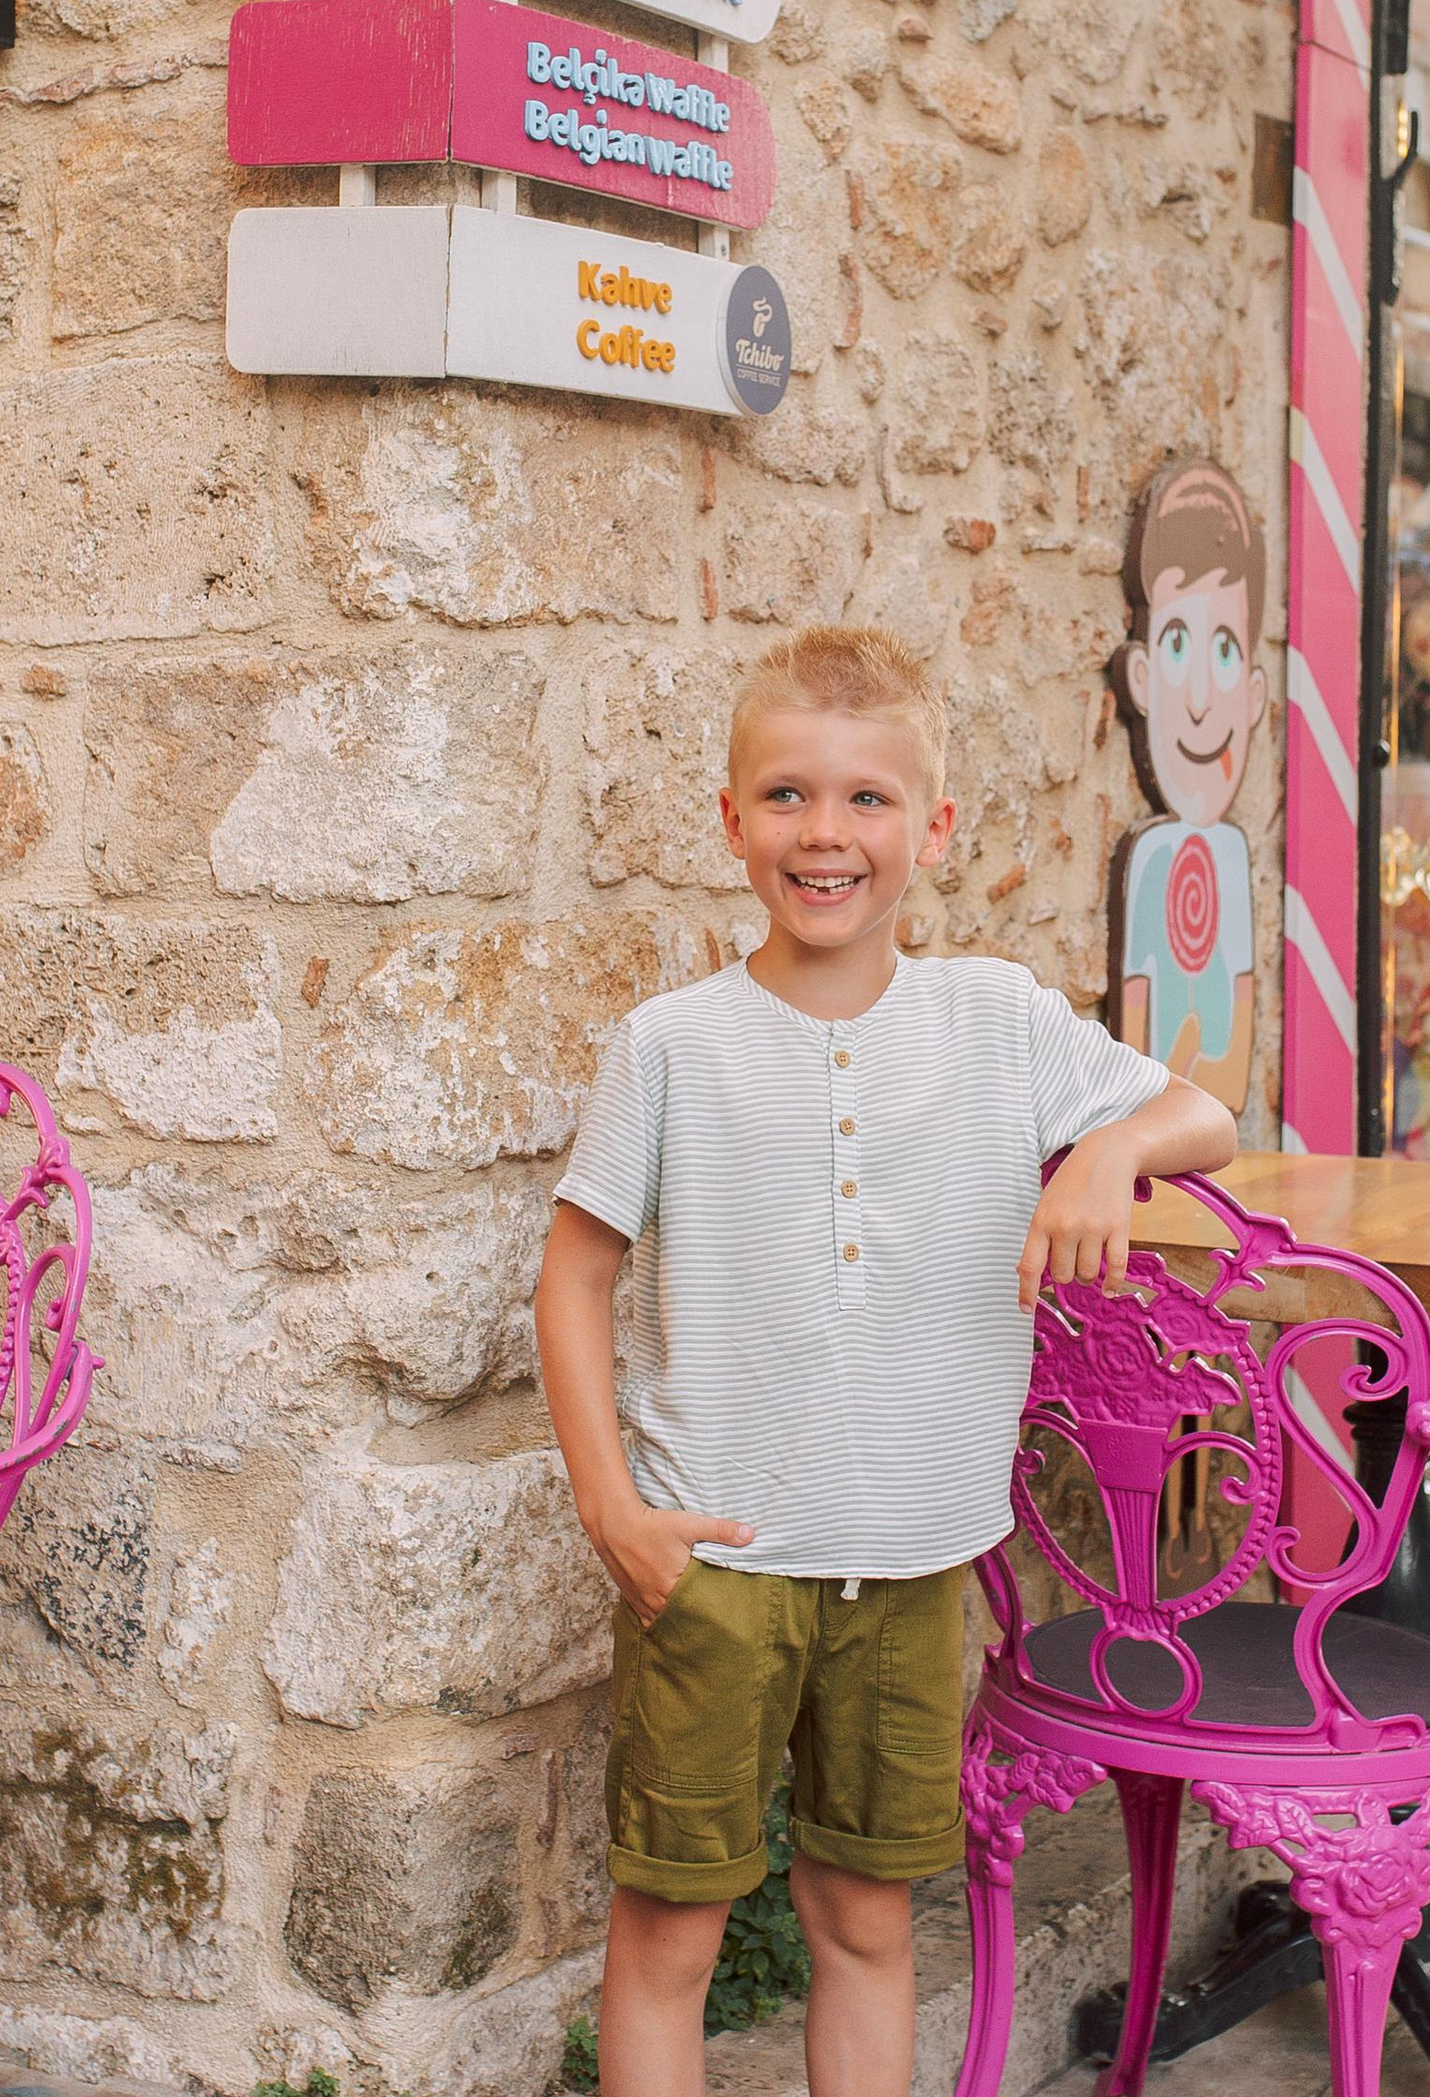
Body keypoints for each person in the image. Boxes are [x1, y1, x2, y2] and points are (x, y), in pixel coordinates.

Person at [535, 625, 1237, 2097]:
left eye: (866, 800)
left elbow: (1205, 1115)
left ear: (934, 826)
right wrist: (615, 1510)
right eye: (787, 796)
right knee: (670, 1931)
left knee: (863, 1917)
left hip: (916, 1566)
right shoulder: (672, 1046)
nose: (826, 834)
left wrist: (1109, 1148)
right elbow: (574, 1277)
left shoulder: (999, 1021)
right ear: (732, 823)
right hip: (713, 1561)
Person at [1114, 459, 1265, 1111]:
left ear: (1254, 693)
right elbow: (1133, 1030)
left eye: (1225, 651)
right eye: (1178, 645)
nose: (1201, 700)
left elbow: (1232, 1071)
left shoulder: (1230, 856)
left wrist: (1197, 1071)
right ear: (1141, 675)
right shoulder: (1151, 858)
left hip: (1204, 1128)